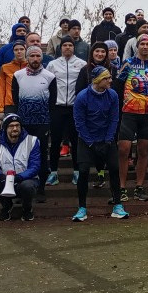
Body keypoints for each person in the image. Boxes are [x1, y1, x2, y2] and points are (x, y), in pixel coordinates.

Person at [72, 66, 128, 220]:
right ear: (97, 80)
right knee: (83, 171)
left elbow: (114, 119)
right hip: (86, 139)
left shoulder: (112, 95)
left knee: (114, 168)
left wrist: (108, 140)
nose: (110, 81)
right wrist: (91, 143)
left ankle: (117, 205)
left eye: (110, 77)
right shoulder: (82, 97)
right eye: (106, 78)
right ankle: (82, 208)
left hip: (106, 139)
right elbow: (79, 123)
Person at [115, 34, 148, 202]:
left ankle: (139, 186)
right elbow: (118, 85)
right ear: (137, 46)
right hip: (129, 111)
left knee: (143, 150)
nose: (145, 46)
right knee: (124, 149)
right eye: (142, 43)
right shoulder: (128, 63)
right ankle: (121, 187)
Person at [10, 45, 56, 201]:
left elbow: (52, 101)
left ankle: (41, 189)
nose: (35, 59)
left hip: (42, 122)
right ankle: (20, 189)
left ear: (41, 58)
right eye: (32, 56)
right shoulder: (17, 75)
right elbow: (15, 99)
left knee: (42, 154)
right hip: (24, 122)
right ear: (27, 58)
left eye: (38, 56)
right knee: (21, 155)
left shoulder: (50, 76)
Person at [46, 36, 86, 185]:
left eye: (70, 45)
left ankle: (76, 172)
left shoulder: (82, 64)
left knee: (76, 141)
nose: (67, 47)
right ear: (60, 48)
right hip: (57, 107)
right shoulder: (52, 64)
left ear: (74, 47)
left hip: (75, 108)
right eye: (65, 45)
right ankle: (54, 172)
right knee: (55, 141)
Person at [0, 113, 40, 221]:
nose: (15, 128)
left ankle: (27, 208)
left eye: (17, 125)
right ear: (5, 128)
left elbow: (35, 166)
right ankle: (7, 206)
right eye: (11, 126)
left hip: (25, 180)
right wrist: (0, 177)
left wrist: (20, 177)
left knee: (28, 186)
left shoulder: (32, 141)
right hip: (4, 181)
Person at [0, 40, 26, 116]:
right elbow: (1, 89)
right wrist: (0, 109)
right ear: (13, 52)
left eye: (21, 49)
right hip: (10, 104)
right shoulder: (5, 67)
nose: (19, 51)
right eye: (16, 50)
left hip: (27, 103)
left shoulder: (31, 67)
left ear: (26, 50)